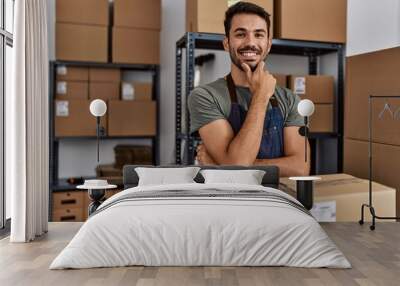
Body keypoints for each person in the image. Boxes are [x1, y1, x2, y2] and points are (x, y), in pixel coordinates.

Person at [187, 1, 310, 177]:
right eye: (240, 34)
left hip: (277, 200)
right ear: (227, 43)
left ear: (268, 45)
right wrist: (261, 96)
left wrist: (220, 164)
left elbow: (300, 168)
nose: (250, 42)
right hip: (230, 201)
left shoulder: (290, 100)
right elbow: (236, 167)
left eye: (259, 34)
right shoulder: (205, 96)